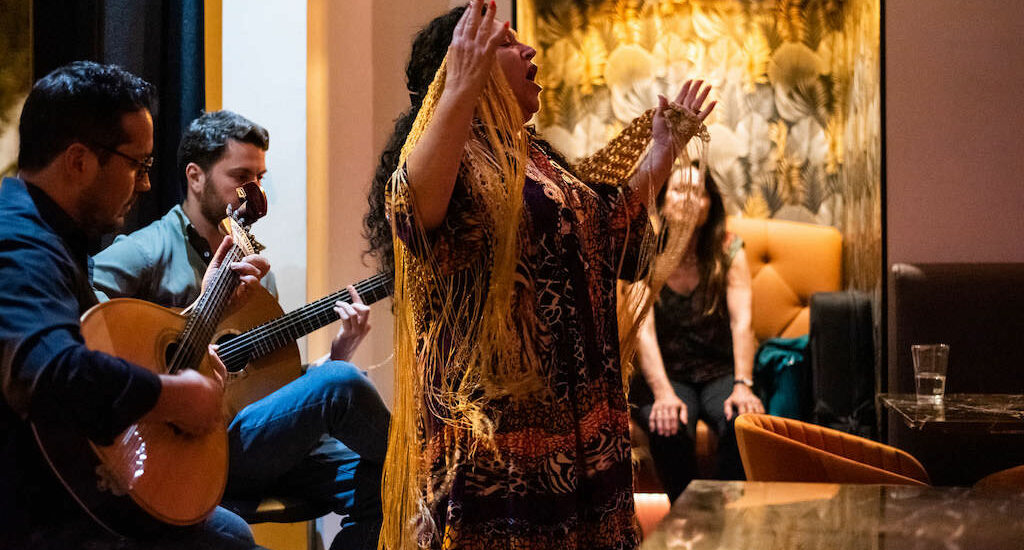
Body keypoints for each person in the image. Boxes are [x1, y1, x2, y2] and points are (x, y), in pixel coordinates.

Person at [363, 2, 715, 548]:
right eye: (506, 44)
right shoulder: (454, 158)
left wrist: (665, 151)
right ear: (463, 62)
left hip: (581, 424)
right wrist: (461, 85)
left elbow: (608, 232)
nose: (528, 51)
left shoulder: (536, 158)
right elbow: (409, 211)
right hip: (499, 441)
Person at [92, 110, 391, 550]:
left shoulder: (255, 267)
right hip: (183, 443)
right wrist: (185, 332)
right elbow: (87, 319)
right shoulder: (147, 249)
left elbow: (266, 385)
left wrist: (338, 352)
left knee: (381, 481)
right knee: (341, 384)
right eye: (241, 176)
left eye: (260, 177)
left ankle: (421, 473)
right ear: (196, 177)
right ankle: (440, 465)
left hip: (249, 438)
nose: (254, 191)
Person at [0, 61, 268, 549]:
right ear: (79, 160)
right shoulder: (21, 246)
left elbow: (96, 349)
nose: (145, 185)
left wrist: (202, 313)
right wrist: (172, 396)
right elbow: (45, 373)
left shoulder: (54, 235)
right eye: (137, 165)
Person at [630, 166, 765, 502]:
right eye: (679, 190)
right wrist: (662, 393)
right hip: (667, 374)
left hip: (719, 370)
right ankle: (686, 515)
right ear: (662, 203)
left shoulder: (728, 249)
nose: (689, 199)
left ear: (708, 206)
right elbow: (642, 332)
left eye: (698, 192)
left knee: (742, 422)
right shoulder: (644, 251)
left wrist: (743, 384)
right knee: (667, 426)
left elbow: (742, 322)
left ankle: (725, 514)